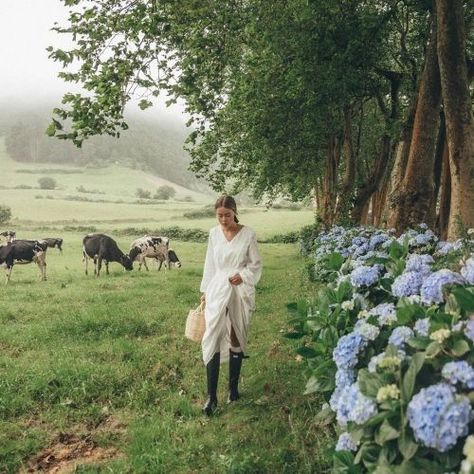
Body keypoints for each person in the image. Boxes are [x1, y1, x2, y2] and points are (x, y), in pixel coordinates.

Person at [199, 195, 262, 416]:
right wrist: (205, 292)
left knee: (236, 334)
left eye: (227, 215)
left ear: (234, 212)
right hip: (217, 287)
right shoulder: (213, 234)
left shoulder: (248, 234)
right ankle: (211, 396)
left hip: (239, 289)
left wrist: (243, 275)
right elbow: (210, 265)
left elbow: (255, 264)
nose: (223, 219)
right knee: (212, 335)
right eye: (219, 215)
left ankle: (233, 389)